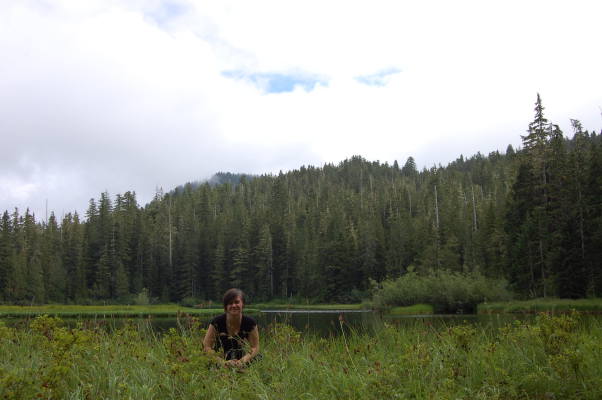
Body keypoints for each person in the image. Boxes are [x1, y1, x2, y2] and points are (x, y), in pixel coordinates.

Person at [203, 288, 260, 368]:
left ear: (242, 304)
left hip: (242, 358)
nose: (233, 305)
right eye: (230, 303)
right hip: (220, 358)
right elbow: (206, 347)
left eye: (237, 302)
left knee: (258, 358)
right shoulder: (216, 322)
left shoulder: (250, 323)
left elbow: (255, 348)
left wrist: (242, 361)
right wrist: (223, 362)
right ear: (226, 306)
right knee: (205, 360)